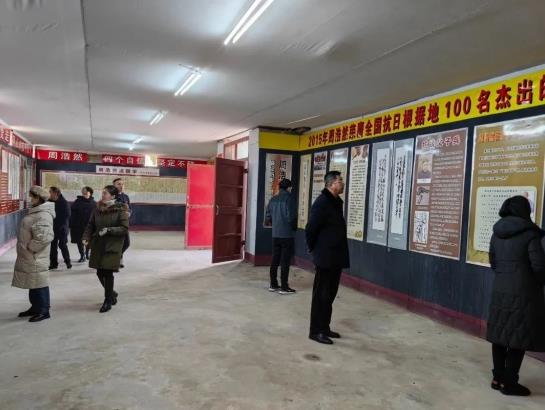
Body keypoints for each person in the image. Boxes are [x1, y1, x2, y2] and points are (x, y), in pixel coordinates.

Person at [487, 195, 545, 396]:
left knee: (500, 335)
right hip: (523, 293)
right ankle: (510, 383)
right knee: (518, 336)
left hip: (500, 290)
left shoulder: (497, 233)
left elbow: (493, 261)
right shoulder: (530, 234)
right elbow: (539, 266)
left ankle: (497, 378)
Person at [305, 171, 349, 345]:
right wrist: (314, 250)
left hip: (335, 257)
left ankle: (324, 327)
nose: (343, 183)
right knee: (320, 295)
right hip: (325, 257)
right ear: (332, 184)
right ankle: (315, 331)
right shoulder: (322, 203)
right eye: (340, 180)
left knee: (330, 294)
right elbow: (311, 229)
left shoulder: (335, 202)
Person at [12, 186, 55, 322]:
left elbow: (44, 237)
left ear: (39, 198)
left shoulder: (43, 214)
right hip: (30, 256)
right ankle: (35, 308)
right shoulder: (37, 212)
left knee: (40, 283)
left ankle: (44, 310)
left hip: (36, 256)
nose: (30, 199)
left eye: (32, 197)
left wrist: (30, 248)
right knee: (33, 282)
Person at [83, 185, 129, 313]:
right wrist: (86, 237)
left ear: (113, 196)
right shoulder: (97, 208)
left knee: (108, 273)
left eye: (105, 193)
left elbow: (124, 228)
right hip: (98, 244)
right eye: (102, 193)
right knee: (99, 272)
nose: (103, 195)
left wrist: (109, 230)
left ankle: (108, 300)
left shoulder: (120, 209)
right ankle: (112, 293)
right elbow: (90, 225)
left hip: (112, 245)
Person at [264, 178, 297, 294]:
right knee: (285, 261)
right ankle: (284, 287)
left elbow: (267, 217)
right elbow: (291, 217)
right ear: (289, 188)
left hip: (275, 234)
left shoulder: (273, 199)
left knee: (275, 259)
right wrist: (293, 228)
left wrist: (275, 223)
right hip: (286, 234)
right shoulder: (289, 199)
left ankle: (273, 285)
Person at [70, 186, 96, 263]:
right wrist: (72, 223)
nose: (84, 193)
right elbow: (72, 214)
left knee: (89, 241)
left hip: (90, 226)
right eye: (83, 191)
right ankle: (82, 255)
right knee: (79, 241)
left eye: (86, 191)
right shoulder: (77, 202)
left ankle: (87, 254)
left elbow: (96, 216)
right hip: (79, 226)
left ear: (90, 193)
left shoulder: (94, 203)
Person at [49, 186, 71, 270]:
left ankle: (68, 262)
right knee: (53, 246)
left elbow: (67, 215)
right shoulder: (49, 202)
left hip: (62, 228)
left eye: (50, 192)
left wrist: (60, 225)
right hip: (52, 227)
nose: (49, 194)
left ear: (55, 193)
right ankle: (53, 264)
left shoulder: (64, 203)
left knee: (62, 245)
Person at [113, 178, 131, 268]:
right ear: (114, 186)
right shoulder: (111, 196)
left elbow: (129, 208)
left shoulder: (126, 196)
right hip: (114, 224)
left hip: (124, 224)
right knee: (116, 243)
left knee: (126, 243)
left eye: (122, 184)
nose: (121, 186)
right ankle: (117, 259)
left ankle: (118, 256)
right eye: (118, 184)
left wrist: (129, 213)